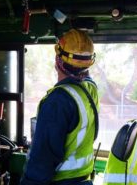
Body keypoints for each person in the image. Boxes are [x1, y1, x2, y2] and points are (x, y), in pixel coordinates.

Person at [20, 29, 99, 185]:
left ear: (58, 61)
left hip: (62, 181)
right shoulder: (90, 89)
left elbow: (43, 159)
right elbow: (85, 77)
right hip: (85, 180)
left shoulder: (58, 101)